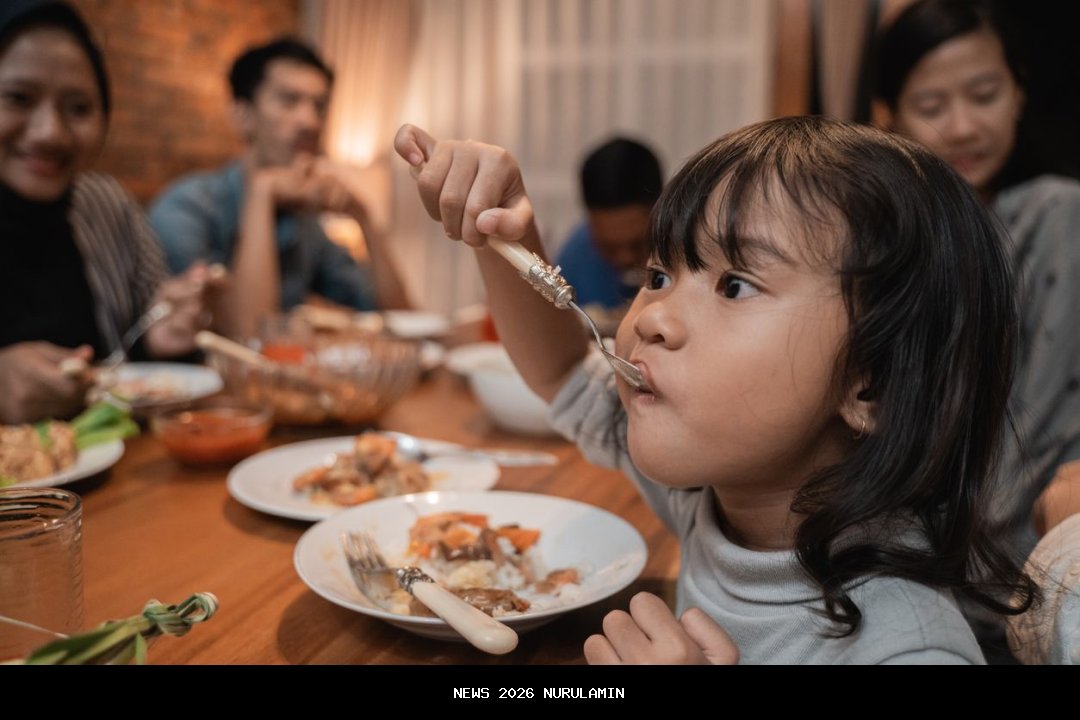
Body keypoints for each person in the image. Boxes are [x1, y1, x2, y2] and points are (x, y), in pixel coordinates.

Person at [394, 116, 1038, 664]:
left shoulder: (909, 648)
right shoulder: (717, 494)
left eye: (735, 285)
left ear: (874, 385)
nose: (651, 317)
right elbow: (563, 369)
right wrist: (501, 234)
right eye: (658, 274)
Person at [875, 0, 1080, 663]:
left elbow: (1029, 453)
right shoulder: (879, 250)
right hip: (896, 592)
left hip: (1028, 588)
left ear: (1019, 92)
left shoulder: (1058, 218)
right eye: (932, 106)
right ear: (889, 116)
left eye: (985, 94)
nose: (963, 126)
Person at [0, 0, 218, 425]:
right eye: (18, 98)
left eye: (79, 108)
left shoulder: (107, 205)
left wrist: (162, 337)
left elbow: (139, 353)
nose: (50, 132)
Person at [149, 38, 411, 340]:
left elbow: (403, 321)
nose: (310, 121)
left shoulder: (305, 223)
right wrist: (262, 192)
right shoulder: (186, 208)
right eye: (289, 101)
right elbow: (249, 337)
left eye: (319, 106)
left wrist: (362, 214)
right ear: (242, 116)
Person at [555, 138, 662, 313]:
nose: (625, 258)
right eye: (609, 248)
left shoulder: (685, 254)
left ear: (662, 210)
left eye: (638, 244)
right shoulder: (577, 253)